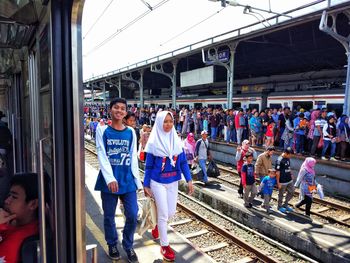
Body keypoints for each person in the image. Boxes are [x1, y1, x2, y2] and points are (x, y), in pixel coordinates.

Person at [95, 98, 142, 262]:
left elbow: (132, 157)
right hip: (109, 181)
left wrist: (137, 181)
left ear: (126, 112)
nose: (119, 110)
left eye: (123, 108)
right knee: (109, 215)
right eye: (116, 107)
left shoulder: (130, 132)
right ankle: (112, 243)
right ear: (110, 110)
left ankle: (128, 245)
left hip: (127, 179)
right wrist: (109, 178)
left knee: (132, 214)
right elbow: (101, 153)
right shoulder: (102, 130)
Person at [143, 111, 194, 262]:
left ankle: (159, 225)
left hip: (173, 181)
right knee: (164, 214)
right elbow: (148, 166)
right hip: (157, 182)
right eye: (165, 121)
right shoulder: (153, 143)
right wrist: (146, 184)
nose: (168, 124)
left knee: (171, 212)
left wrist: (189, 180)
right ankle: (164, 245)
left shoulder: (176, 141)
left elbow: (183, 162)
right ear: (158, 123)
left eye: (170, 121)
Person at [0, 173, 39, 263]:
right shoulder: (11, 223)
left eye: (14, 197)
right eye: (9, 196)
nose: (6, 201)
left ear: (33, 204)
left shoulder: (17, 241)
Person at [275, 147, 294, 213]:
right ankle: (279, 206)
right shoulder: (279, 160)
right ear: (285, 153)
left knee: (292, 192)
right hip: (282, 181)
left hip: (289, 179)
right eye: (290, 154)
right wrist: (278, 183)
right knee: (281, 194)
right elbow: (277, 172)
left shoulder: (288, 158)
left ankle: (285, 204)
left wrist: (291, 174)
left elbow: (288, 167)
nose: (290, 156)